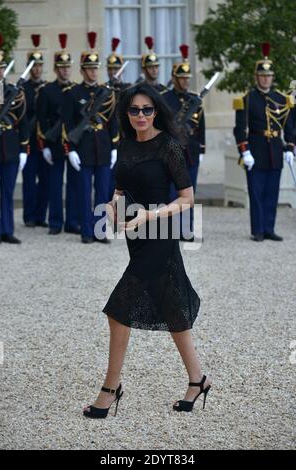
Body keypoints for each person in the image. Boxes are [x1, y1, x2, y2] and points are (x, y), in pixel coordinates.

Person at [83, 83, 211, 419]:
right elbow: (121, 187)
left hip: (160, 234)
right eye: (134, 110)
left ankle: (111, 388)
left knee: (118, 308)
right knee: (171, 309)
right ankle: (198, 381)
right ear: (126, 114)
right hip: (135, 238)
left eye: (147, 109)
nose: (141, 116)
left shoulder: (169, 146)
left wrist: (150, 214)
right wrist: (113, 205)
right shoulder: (125, 145)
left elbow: (187, 198)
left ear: (156, 111)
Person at [233, 43, 295, 242]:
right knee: (257, 193)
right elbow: (239, 128)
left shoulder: (282, 99)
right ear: (256, 77)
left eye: (269, 76)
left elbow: (289, 125)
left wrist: (289, 146)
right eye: (262, 75)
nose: (266, 78)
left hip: (275, 150)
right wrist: (245, 151)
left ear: (272, 77)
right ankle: (258, 230)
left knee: (272, 193)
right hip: (256, 150)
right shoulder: (247, 99)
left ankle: (269, 228)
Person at [62, 32, 119, 244]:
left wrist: (114, 146)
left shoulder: (107, 93)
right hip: (83, 148)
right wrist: (71, 150)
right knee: (84, 193)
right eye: (90, 69)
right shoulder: (73, 93)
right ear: (82, 70)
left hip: (103, 148)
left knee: (103, 193)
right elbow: (66, 125)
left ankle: (100, 230)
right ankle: (86, 232)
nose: (94, 72)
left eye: (96, 69)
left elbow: (113, 121)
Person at [37, 33, 80, 235]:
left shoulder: (77, 90)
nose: (65, 70)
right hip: (54, 143)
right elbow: (41, 119)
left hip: (73, 142)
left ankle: (72, 222)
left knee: (73, 184)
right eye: (61, 67)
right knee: (55, 184)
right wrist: (44, 145)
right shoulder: (47, 91)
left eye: (67, 67)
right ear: (55, 69)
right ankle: (55, 222)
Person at [163, 44, 205, 241]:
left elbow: (201, 126)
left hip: (191, 152)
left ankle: (187, 230)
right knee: (173, 193)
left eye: (188, 78)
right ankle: (172, 230)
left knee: (190, 193)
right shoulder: (164, 99)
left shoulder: (195, 100)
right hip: (172, 153)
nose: (185, 82)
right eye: (182, 78)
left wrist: (202, 150)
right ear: (174, 78)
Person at [0, 33, 29, 244]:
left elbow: (23, 122)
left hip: (9, 148)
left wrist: (23, 148)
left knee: (7, 192)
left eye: (1, 67)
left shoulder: (13, 91)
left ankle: (7, 229)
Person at [22, 34, 49, 228]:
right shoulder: (22, 88)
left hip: (45, 140)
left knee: (46, 180)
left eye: (40, 65)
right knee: (29, 180)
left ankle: (41, 216)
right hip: (29, 140)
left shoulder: (47, 88)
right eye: (34, 65)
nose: (37, 69)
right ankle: (29, 216)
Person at [105, 37, 129, 201]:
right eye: (111, 69)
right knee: (108, 182)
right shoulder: (103, 91)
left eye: (117, 69)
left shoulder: (129, 90)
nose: (114, 72)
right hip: (109, 142)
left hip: (128, 141)